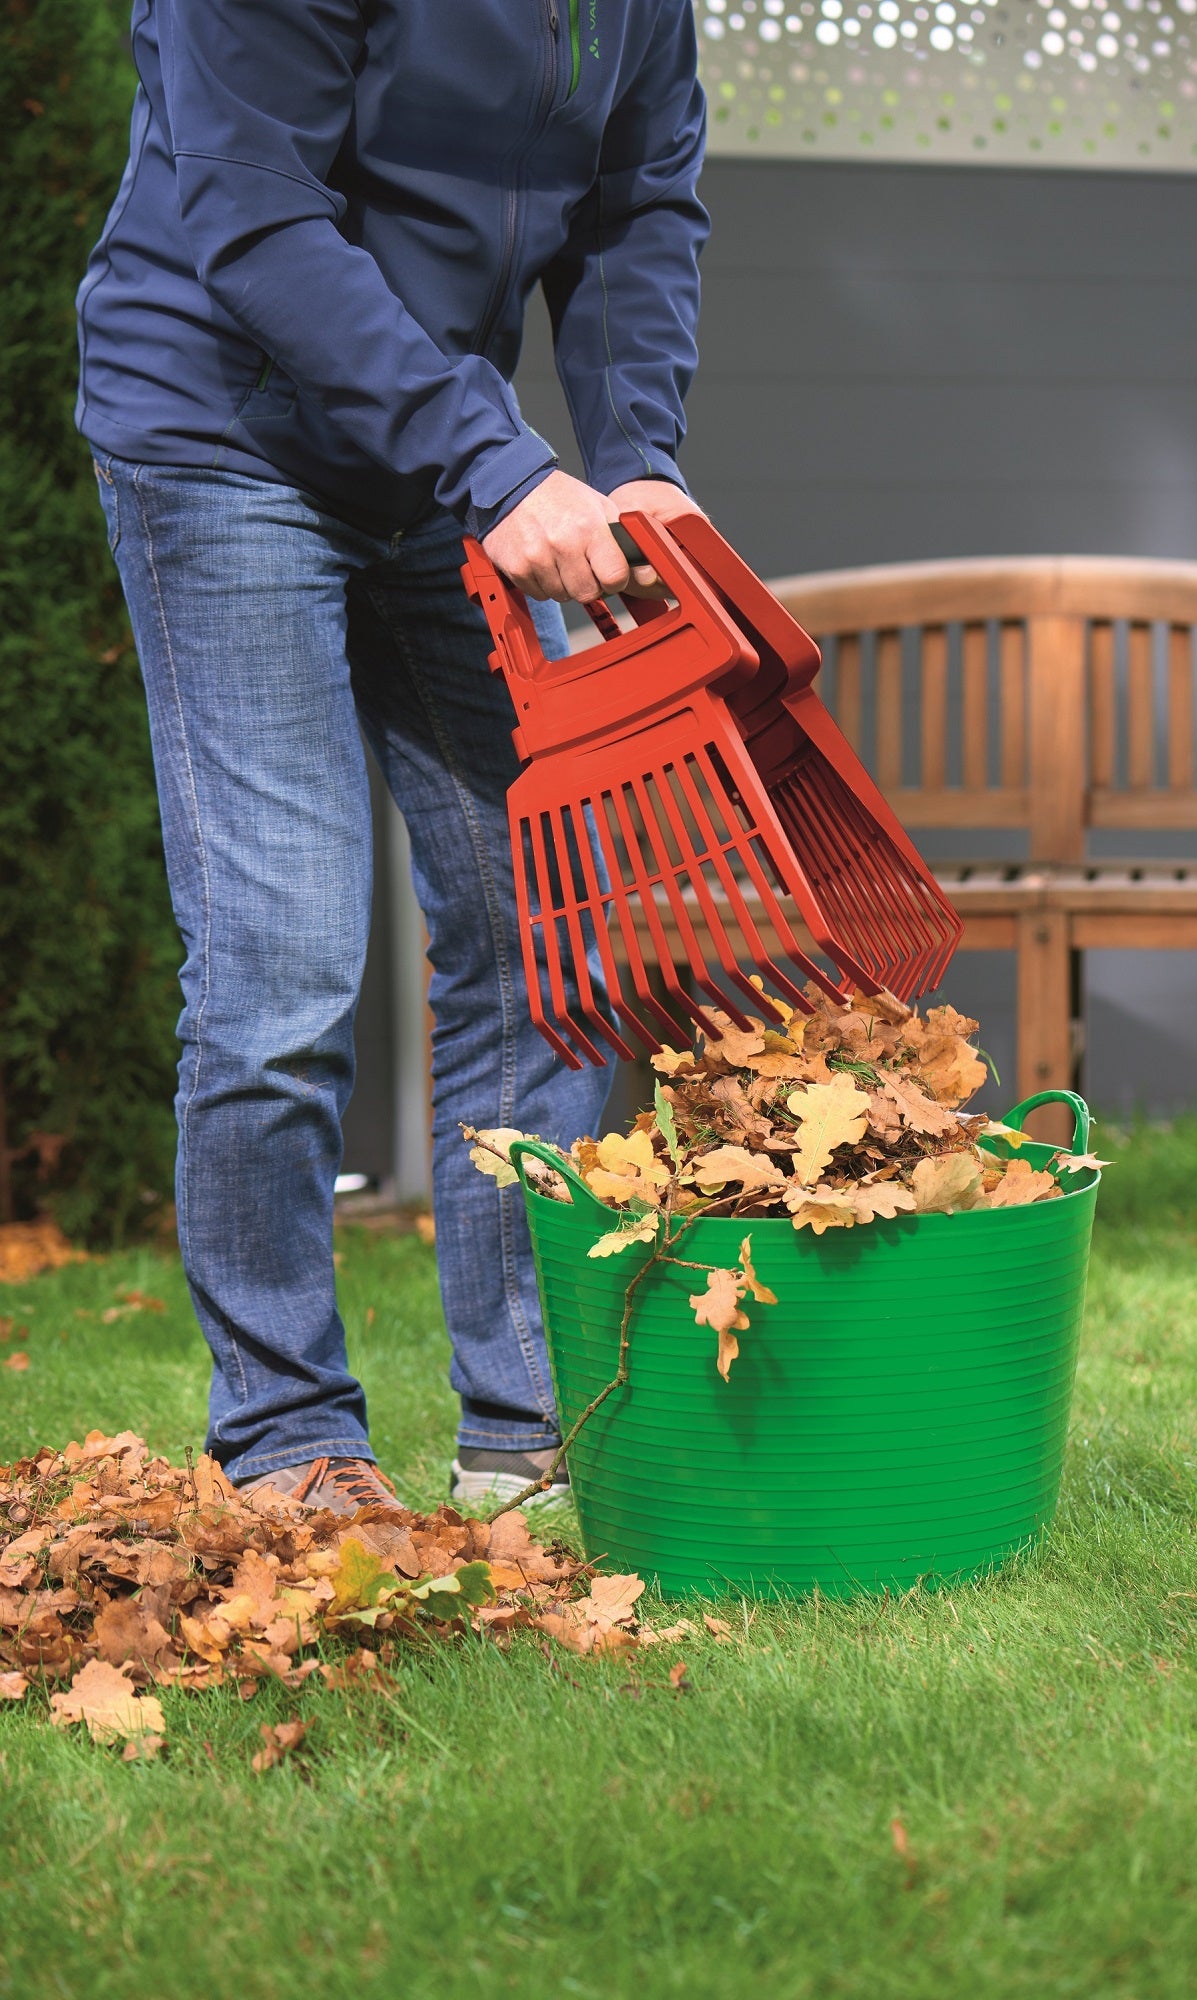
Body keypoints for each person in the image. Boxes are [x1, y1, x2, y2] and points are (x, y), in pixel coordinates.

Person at [76, 0, 708, 1514]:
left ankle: (526, 1435)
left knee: (539, 924)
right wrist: (499, 464)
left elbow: (639, 198)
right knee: (283, 955)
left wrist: (634, 455)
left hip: (441, 447)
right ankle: (290, 1437)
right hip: (227, 431)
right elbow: (255, 210)